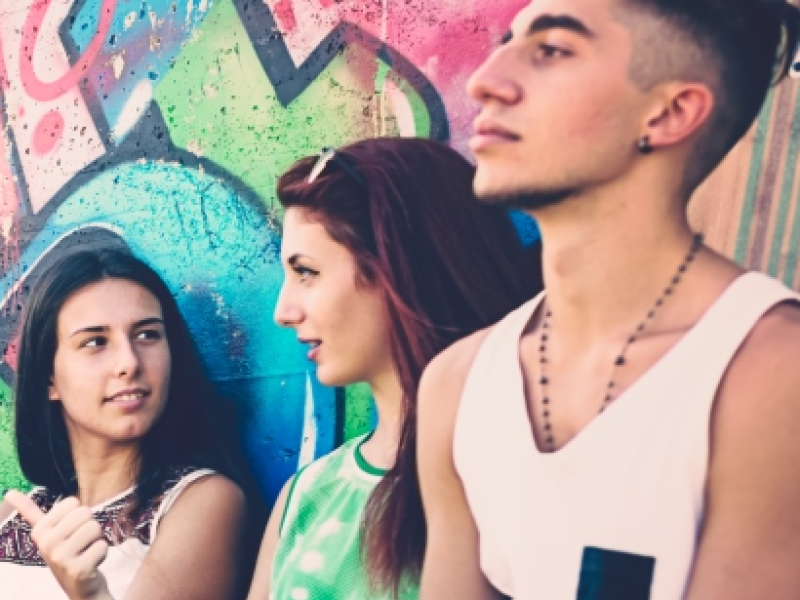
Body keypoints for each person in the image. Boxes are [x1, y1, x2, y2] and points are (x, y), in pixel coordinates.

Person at [417, 1, 800, 599]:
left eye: (552, 50)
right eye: (507, 41)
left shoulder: (771, 381)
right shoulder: (457, 385)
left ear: (670, 113)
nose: (484, 79)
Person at [246, 137, 541, 600]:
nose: (283, 311)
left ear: (397, 269)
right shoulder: (306, 497)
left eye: (307, 272)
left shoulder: (521, 478)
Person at [0, 248, 260, 600]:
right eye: (95, 342)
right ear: (49, 380)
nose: (128, 363)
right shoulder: (16, 515)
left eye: (147, 335)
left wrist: (90, 594)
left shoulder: (201, 502)